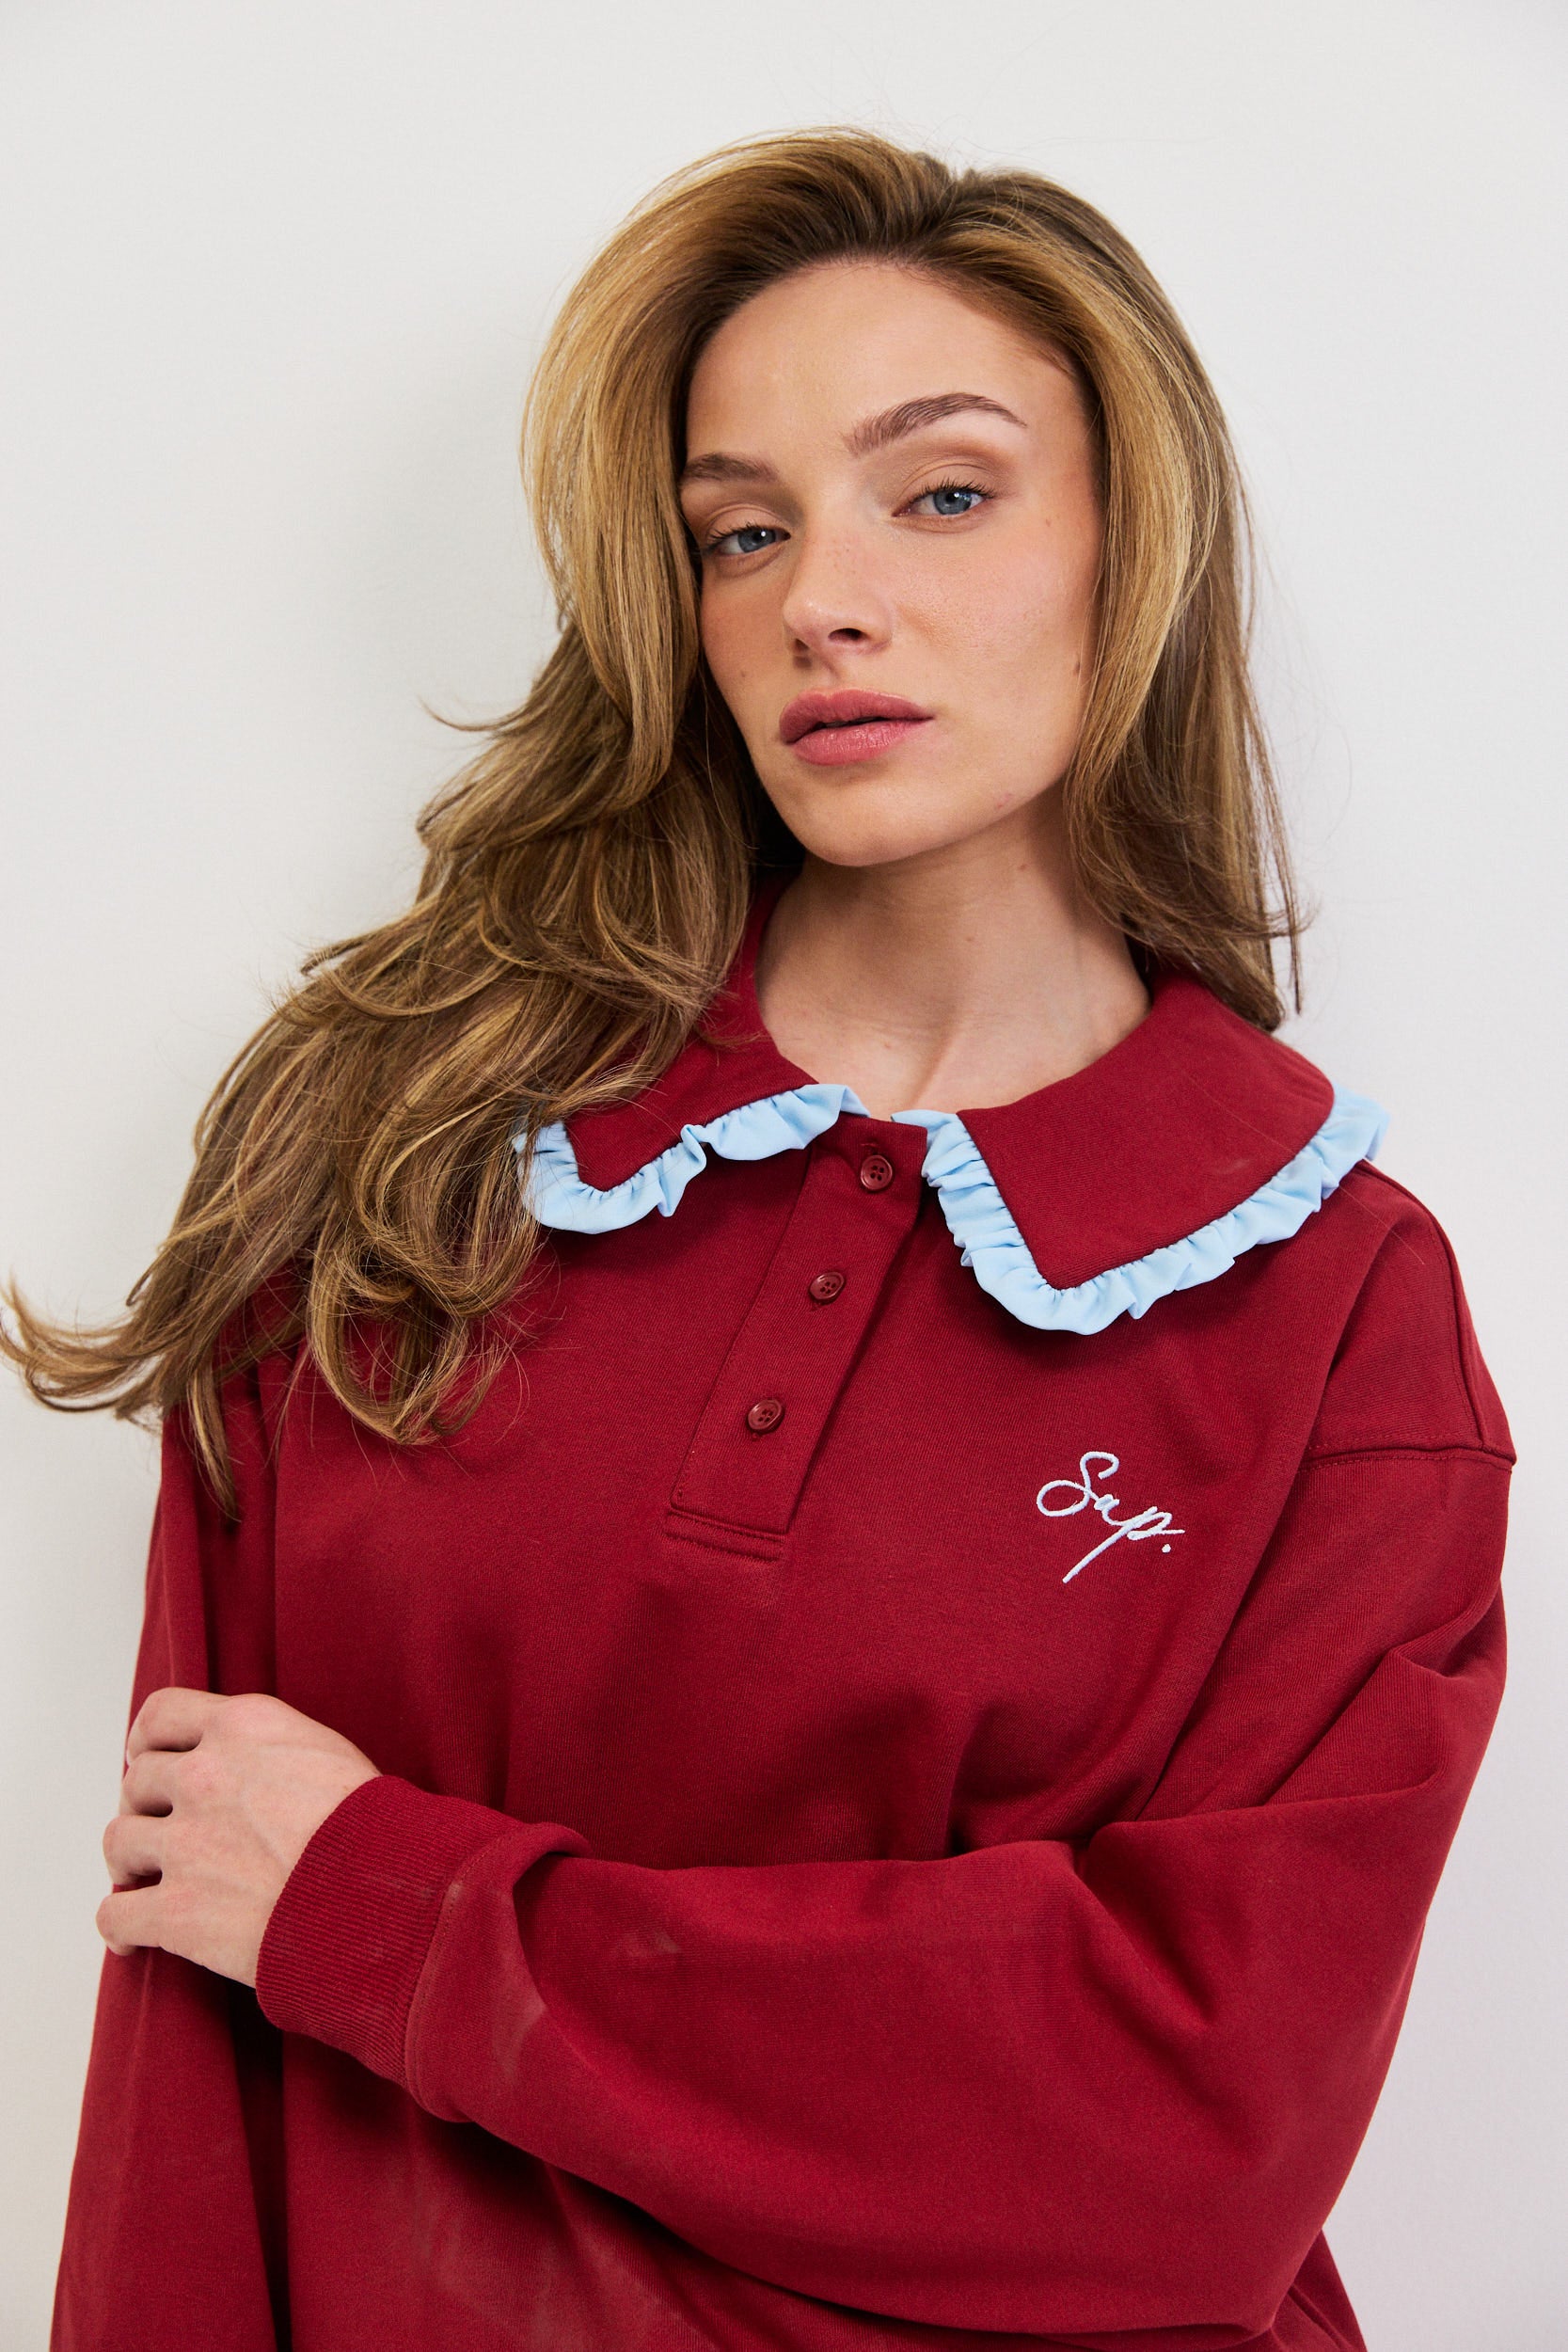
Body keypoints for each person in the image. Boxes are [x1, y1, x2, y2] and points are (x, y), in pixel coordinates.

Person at [8, 130, 1511, 2352]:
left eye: (945, 491)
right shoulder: (407, 1146)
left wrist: (395, 1913)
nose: (822, 597)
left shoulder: (1337, 1305)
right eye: (743, 528)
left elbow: (1190, 2133)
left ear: (1140, 547)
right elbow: (186, 2030)